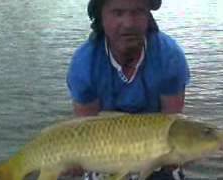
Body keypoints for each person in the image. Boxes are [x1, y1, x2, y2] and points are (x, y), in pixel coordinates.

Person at [66, 0, 190, 179]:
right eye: (118, 13)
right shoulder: (84, 65)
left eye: (138, 12)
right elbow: (86, 130)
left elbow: (172, 123)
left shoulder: (169, 57)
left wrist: (185, 153)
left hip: (156, 150)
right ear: (100, 17)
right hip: (103, 150)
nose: (129, 23)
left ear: (148, 14)